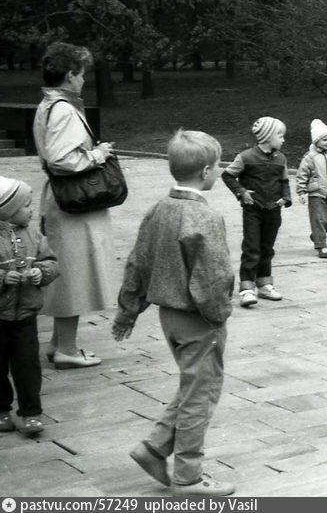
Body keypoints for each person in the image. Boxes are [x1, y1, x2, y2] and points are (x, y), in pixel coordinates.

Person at [112, 129, 235, 496]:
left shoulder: (158, 210)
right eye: (218, 167)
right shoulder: (204, 218)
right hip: (199, 320)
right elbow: (213, 277)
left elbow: (138, 263)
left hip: (169, 317)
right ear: (207, 171)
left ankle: (152, 449)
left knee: (192, 387)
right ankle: (189, 477)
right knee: (202, 394)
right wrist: (219, 314)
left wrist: (128, 311)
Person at [32, 42, 115, 369]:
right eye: (81, 75)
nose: (84, 81)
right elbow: (62, 159)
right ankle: (67, 348)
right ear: (69, 75)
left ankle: (57, 343)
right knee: (74, 274)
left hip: (61, 199)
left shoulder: (48, 105)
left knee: (69, 271)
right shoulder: (64, 109)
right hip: (73, 202)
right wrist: (99, 154)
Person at [0, 177, 59, 438]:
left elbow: (51, 262)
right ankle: (1, 410)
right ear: (7, 211)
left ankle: (31, 412)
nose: (31, 211)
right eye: (26, 206)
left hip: (25, 314)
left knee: (27, 365)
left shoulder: (35, 235)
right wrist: (2, 279)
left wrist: (40, 271)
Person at [222, 116, 292, 308]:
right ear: (268, 136)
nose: (283, 139)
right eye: (280, 135)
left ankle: (264, 284)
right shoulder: (246, 157)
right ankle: (246, 288)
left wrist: (286, 198)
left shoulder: (281, 158)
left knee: (267, 248)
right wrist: (241, 192)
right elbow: (227, 175)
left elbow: (285, 181)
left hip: (273, 210)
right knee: (252, 247)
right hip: (253, 210)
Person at [296, 118, 327, 259]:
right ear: (316, 140)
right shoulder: (310, 157)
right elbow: (302, 175)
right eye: (324, 140)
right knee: (318, 219)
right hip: (316, 194)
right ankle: (321, 246)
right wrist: (301, 191)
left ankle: (316, 236)